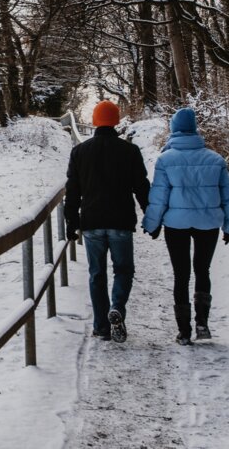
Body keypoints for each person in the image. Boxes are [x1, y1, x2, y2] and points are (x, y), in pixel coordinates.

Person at [142, 107, 229, 345]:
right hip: (207, 224)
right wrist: (228, 226)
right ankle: (202, 322)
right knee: (203, 270)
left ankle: (184, 331)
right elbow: (227, 197)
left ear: (173, 129)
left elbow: (159, 196)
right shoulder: (216, 159)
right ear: (194, 128)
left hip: (176, 226)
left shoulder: (166, 160)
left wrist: (152, 224)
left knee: (181, 274)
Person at [65, 100, 150, 343]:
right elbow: (141, 187)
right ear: (116, 121)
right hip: (121, 221)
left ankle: (101, 325)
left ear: (95, 121)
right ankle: (118, 309)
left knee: (96, 273)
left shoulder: (80, 152)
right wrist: (150, 216)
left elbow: (73, 191)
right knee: (124, 270)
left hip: (91, 222)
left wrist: (71, 222)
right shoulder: (130, 151)